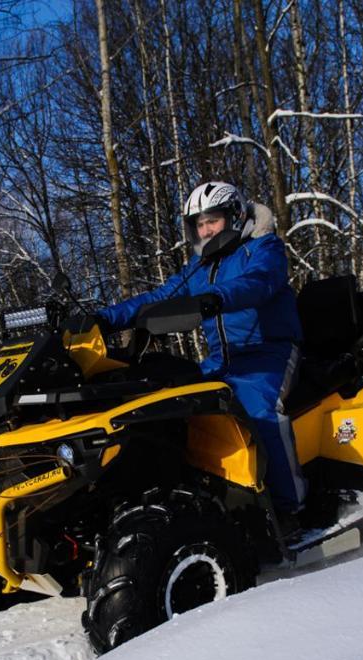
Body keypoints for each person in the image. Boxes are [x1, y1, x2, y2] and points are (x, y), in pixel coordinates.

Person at [95, 181, 307, 529]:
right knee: (179, 407)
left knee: (260, 411)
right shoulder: (198, 268)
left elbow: (259, 282)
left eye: (213, 221)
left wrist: (218, 297)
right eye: (199, 224)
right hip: (221, 360)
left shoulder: (262, 248)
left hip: (270, 353)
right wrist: (105, 319)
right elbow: (160, 296)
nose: (206, 230)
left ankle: (290, 509)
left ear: (235, 217)